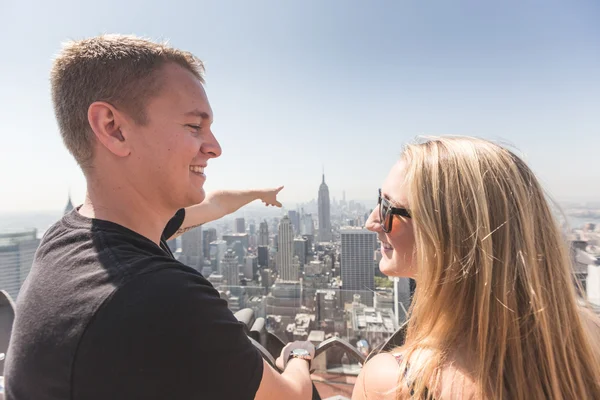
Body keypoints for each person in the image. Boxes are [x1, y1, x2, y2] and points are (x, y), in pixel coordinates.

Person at [5, 35, 315, 400]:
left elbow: (213, 206)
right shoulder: (157, 296)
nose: (215, 147)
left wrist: (258, 195)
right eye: (194, 126)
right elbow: (290, 397)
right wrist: (298, 355)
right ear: (113, 128)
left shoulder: (71, 238)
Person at [352, 137, 600, 399]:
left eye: (388, 207)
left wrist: (301, 363)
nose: (372, 222)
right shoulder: (588, 339)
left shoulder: (392, 382)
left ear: (446, 232)